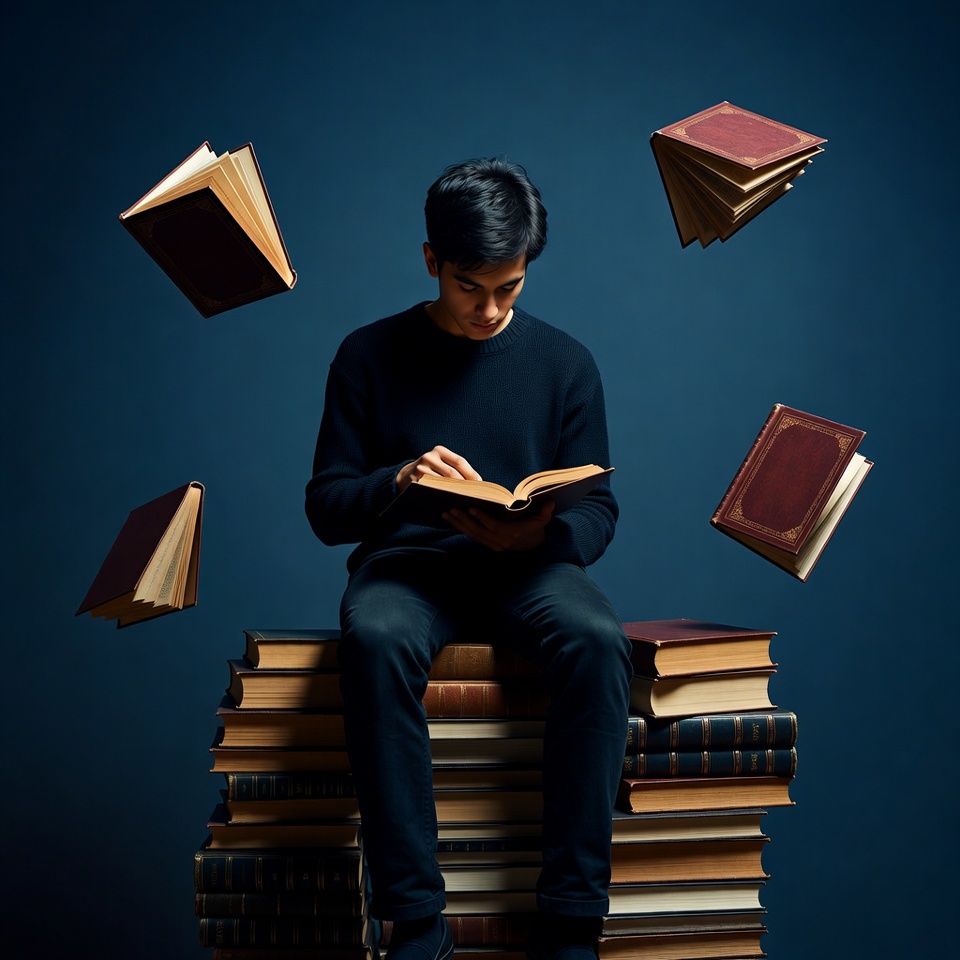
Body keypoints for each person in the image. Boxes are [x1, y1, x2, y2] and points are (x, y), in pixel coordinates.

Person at [305, 157, 633, 960]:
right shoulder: (366, 355)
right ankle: (415, 921)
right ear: (430, 261)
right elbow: (324, 506)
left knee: (597, 642)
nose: (490, 310)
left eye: (510, 288)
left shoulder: (566, 363)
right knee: (375, 637)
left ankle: (571, 919)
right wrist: (397, 480)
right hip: (409, 570)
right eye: (469, 286)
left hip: (531, 569)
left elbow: (599, 507)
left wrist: (541, 537)